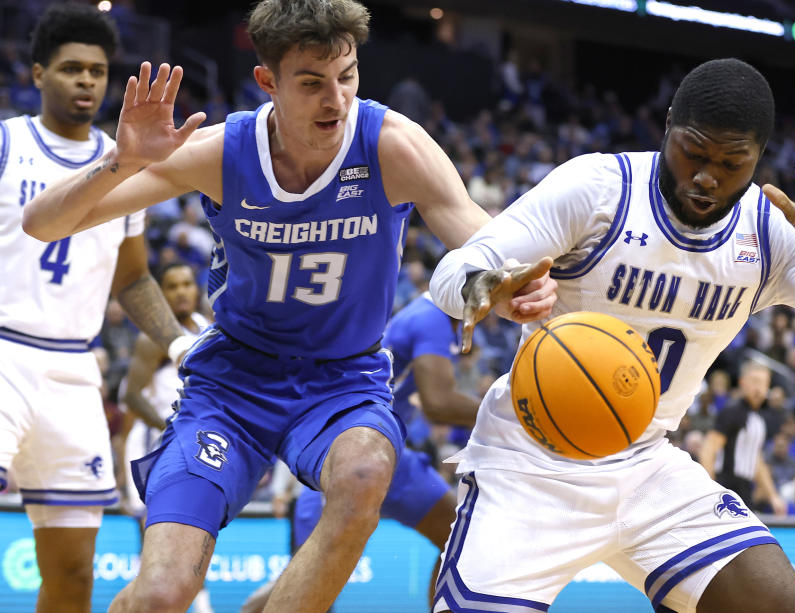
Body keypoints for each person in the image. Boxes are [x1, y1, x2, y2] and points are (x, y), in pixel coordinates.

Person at [22, 1, 556, 611]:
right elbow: (42, 224)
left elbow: (481, 241)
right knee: (162, 596)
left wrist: (509, 286)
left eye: (347, 76)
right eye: (311, 83)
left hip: (343, 381)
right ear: (267, 82)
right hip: (232, 384)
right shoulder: (222, 151)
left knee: (364, 474)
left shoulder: (393, 145)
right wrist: (127, 160)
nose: (336, 100)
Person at [429, 58, 795, 612]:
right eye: (694, 153)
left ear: (759, 158)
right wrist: (490, 288)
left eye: (732, 163)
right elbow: (453, 271)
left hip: (646, 466)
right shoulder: (598, 188)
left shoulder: (772, 232)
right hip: (532, 461)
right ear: (669, 127)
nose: (708, 176)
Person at [0, 6, 192, 613]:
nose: (86, 81)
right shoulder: (7, 142)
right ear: (37, 74)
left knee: (75, 572)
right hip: (3, 353)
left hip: (74, 374)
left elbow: (132, 277)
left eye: (98, 71)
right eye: (71, 69)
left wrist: (178, 342)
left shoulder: (127, 162)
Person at [240, 292, 481, 612]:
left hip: (389, 454)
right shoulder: (433, 316)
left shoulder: (432, 317)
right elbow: (438, 403)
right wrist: (516, 416)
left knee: (459, 538)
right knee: (314, 581)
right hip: (348, 450)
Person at [119, 261, 214, 613]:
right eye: (172, 286)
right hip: (156, 441)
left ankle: (199, 603)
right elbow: (131, 396)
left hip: (196, 442)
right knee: (155, 538)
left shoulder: (208, 329)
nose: (181, 292)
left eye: (187, 283)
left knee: (196, 529)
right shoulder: (152, 338)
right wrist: (169, 427)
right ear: (161, 293)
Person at [699, 361, 786, 514]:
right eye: (755, 382)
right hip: (725, 486)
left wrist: (773, 496)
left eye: (763, 383)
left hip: (745, 490)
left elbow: (757, 462)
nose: (759, 388)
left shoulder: (758, 420)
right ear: (742, 383)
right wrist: (709, 489)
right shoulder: (732, 411)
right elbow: (709, 449)